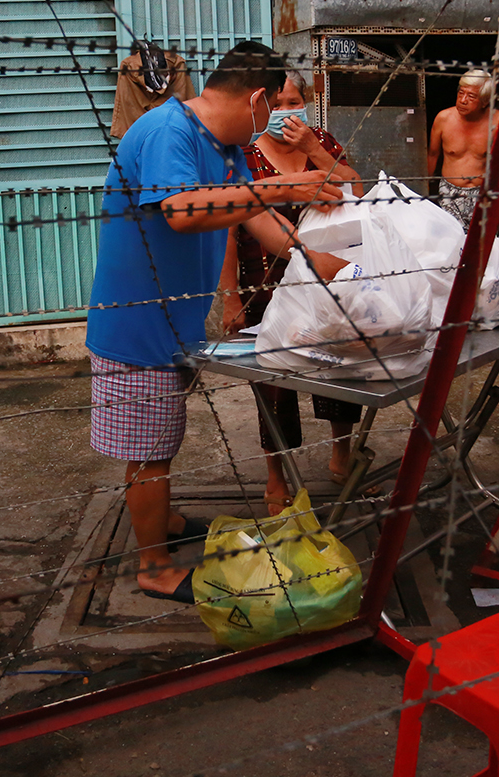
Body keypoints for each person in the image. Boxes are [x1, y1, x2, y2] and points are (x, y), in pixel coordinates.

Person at [86, 41, 348, 602]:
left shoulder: (225, 147)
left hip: (176, 321)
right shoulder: (168, 132)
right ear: (258, 98)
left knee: (163, 437)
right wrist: (280, 185)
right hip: (136, 326)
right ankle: (154, 567)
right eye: (272, 108)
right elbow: (181, 211)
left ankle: (168, 522)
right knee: (149, 448)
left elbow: (257, 216)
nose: (273, 122)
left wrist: (325, 262)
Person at [219, 70, 365, 514]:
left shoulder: (322, 142)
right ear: (262, 105)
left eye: (294, 101)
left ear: (308, 102)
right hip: (263, 283)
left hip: (326, 284)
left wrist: (313, 150)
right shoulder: (243, 155)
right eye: (278, 103)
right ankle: (276, 476)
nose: (287, 112)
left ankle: (342, 456)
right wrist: (230, 296)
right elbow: (226, 228)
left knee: (339, 365)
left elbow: (356, 190)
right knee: (272, 381)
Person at [427, 67, 499, 231]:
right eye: (461, 93)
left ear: (484, 101)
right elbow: (432, 155)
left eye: (471, 96)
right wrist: (423, 189)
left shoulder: (498, 121)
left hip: (484, 192)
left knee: (491, 246)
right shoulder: (444, 119)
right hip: (450, 194)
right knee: (453, 243)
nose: (463, 100)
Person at [110, 40, 196, 138]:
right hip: (173, 129)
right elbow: (186, 100)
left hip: (139, 130)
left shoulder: (128, 66)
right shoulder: (177, 63)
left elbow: (127, 107)